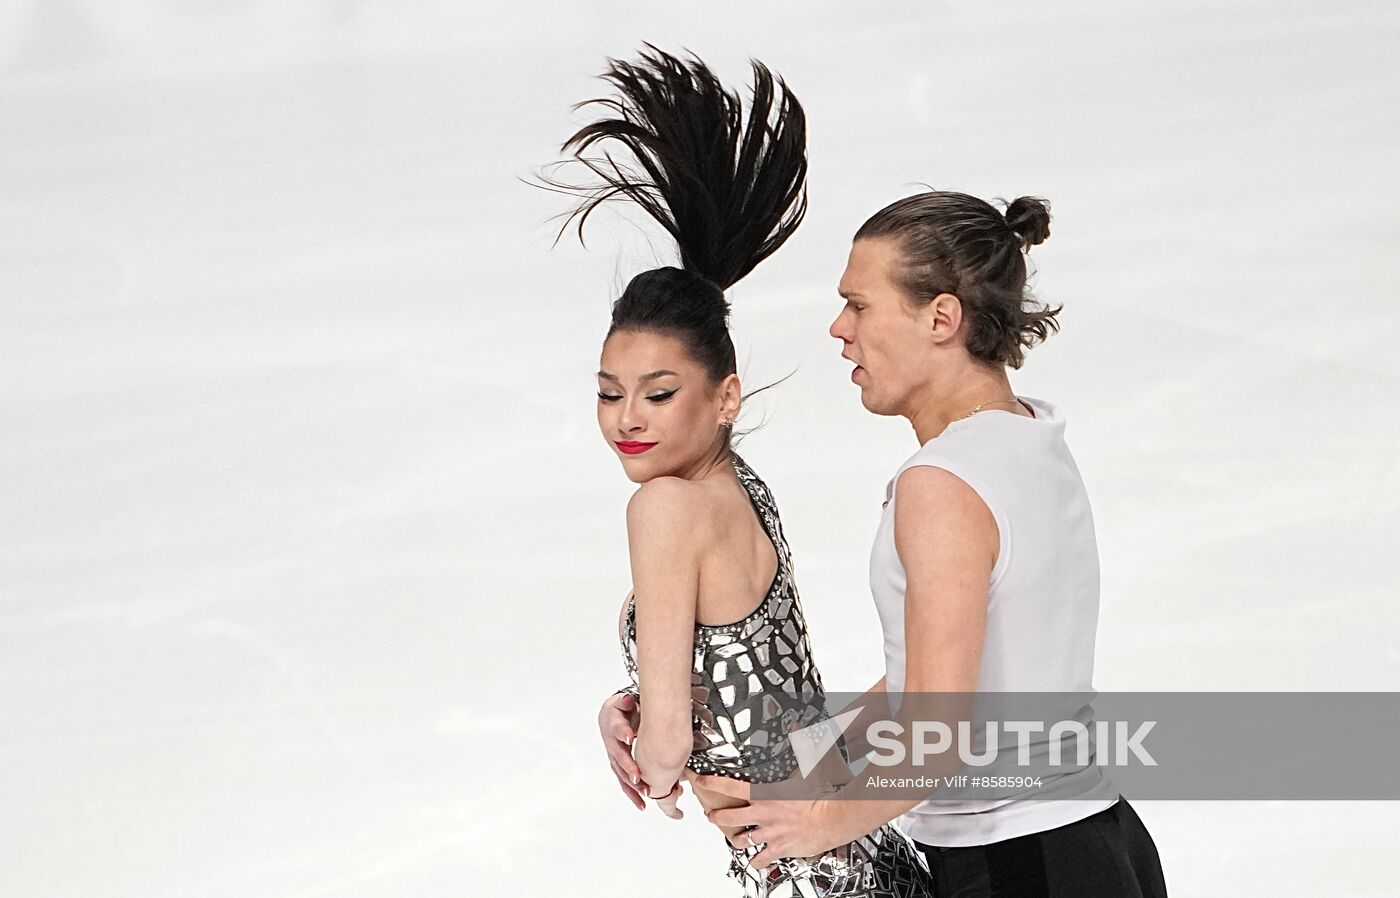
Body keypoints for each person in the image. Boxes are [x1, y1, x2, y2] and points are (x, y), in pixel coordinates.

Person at [601, 190, 1170, 896]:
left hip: (1018, 862)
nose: (840, 328)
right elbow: (925, 689)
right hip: (1094, 843)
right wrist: (799, 759)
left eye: (859, 304)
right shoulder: (1027, 435)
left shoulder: (943, 485)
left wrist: (818, 822)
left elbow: (937, 734)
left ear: (941, 318)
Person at [555, 47, 936, 897]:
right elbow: (751, 688)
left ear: (725, 395)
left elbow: (665, 755)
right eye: (611, 393)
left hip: (802, 863)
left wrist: (642, 745)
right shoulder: (739, 488)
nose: (629, 418)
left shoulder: (664, 508)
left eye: (658, 393)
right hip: (864, 846)